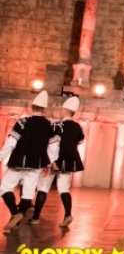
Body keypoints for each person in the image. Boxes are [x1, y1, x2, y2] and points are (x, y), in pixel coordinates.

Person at [0, 91, 57, 230]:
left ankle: (15, 213)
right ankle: (17, 221)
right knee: (28, 192)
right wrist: (48, 163)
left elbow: (11, 142)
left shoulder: (22, 122)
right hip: (37, 163)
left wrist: (1, 156)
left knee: (5, 188)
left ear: (32, 107)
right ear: (45, 110)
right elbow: (52, 147)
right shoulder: (50, 125)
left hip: (19, 161)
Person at [30, 96, 84, 227]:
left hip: (56, 161)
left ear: (65, 110)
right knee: (64, 189)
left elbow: (52, 145)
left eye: (62, 109)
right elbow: (81, 140)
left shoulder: (57, 126)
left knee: (43, 189)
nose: (61, 111)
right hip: (68, 162)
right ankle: (68, 215)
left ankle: (35, 217)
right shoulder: (77, 127)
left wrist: (51, 162)